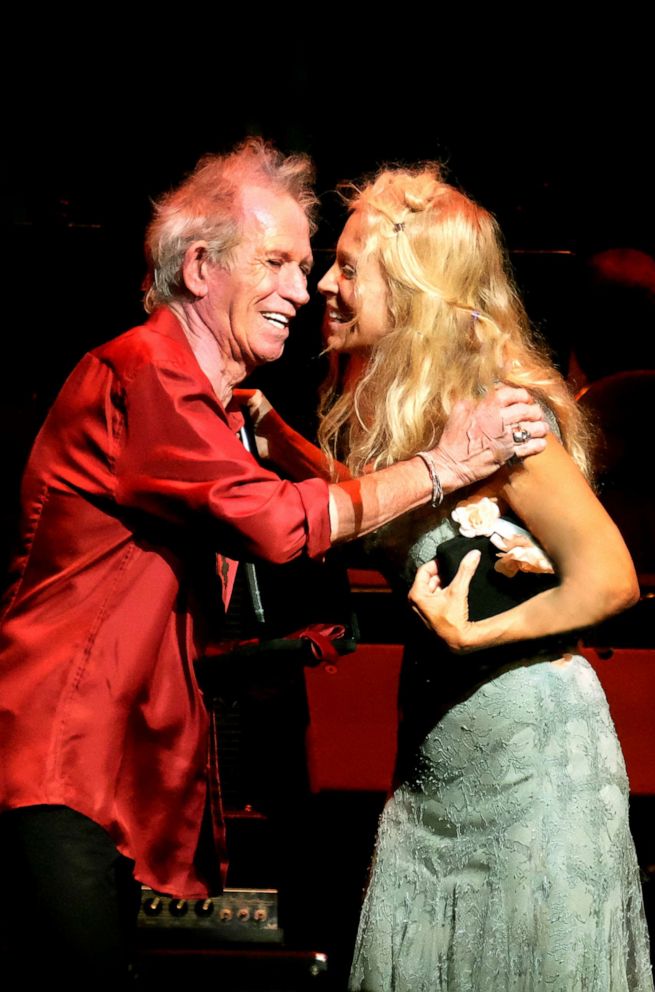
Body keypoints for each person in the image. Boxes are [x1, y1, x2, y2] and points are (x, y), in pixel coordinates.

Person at [0, 141, 549, 986]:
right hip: (55, 756)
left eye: (310, 264)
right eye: (279, 262)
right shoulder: (143, 373)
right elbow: (272, 525)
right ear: (197, 267)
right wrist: (443, 463)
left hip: (100, 767)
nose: (303, 289)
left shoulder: (207, 404)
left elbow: (303, 521)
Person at [245, 165, 653, 990]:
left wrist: (479, 630)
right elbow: (388, 520)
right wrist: (277, 438)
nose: (325, 283)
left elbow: (609, 578)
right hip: (439, 752)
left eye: (350, 267)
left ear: (414, 290)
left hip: (530, 759)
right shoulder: (415, 415)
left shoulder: (501, 416)